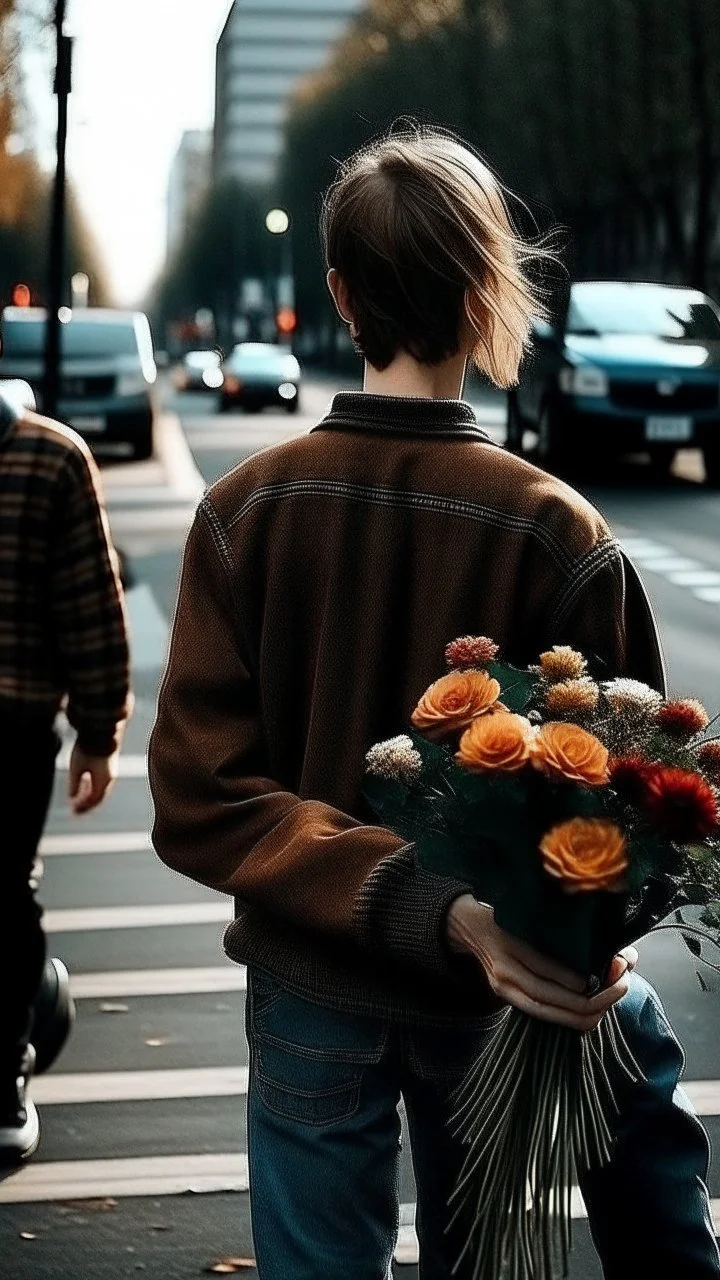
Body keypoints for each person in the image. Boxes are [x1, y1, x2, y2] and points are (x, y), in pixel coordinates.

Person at [148, 127, 720, 1278]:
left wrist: (393, 893)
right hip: (491, 1003)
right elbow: (640, 806)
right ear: (484, 292)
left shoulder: (244, 511)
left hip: (310, 986)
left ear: (341, 293)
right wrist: (479, 914)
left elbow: (199, 798)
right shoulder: (558, 528)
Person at [0, 379, 131, 1164]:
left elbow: (89, 608)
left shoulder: (52, 460)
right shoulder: (52, 457)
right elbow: (89, 609)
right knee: (6, 895)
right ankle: (7, 1062)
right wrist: (97, 733)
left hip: (9, 730)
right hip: (11, 729)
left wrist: (98, 730)